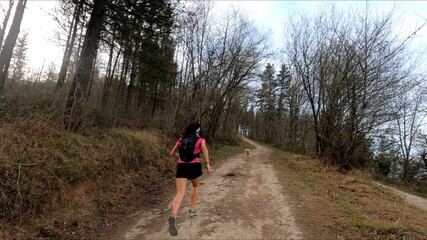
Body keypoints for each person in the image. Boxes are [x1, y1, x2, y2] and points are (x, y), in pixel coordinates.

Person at [168, 122, 212, 236]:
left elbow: (172, 153)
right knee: (196, 186)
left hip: (181, 166)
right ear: (197, 131)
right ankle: (192, 209)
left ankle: (173, 216)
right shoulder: (200, 140)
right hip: (194, 166)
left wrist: (180, 157)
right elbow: (204, 149)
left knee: (180, 192)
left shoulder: (181, 139)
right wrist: (207, 163)